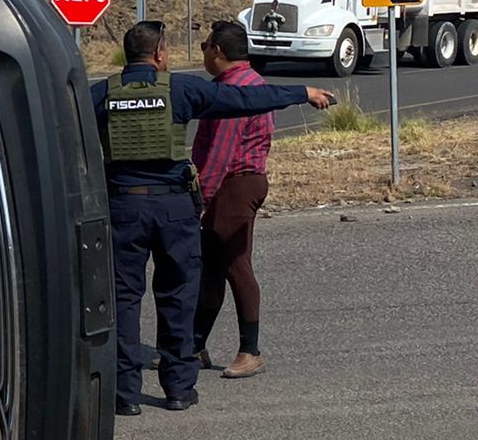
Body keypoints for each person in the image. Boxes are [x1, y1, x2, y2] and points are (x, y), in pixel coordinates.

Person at [92, 21, 334, 417]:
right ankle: (178, 390)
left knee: (124, 300)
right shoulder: (181, 89)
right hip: (173, 210)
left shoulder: (101, 93)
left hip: (123, 209)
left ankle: (125, 395)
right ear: (160, 54)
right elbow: (246, 100)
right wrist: (300, 93)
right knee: (177, 295)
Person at [192, 21, 279, 379]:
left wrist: (201, 197)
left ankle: (250, 349)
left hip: (235, 184)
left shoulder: (235, 92)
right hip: (240, 183)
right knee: (211, 268)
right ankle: (193, 345)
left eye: (206, 45)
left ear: (219, 52)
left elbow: (220, 153)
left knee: (234, 263)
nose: (203, 51)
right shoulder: (244, 82)